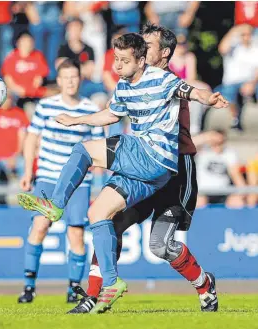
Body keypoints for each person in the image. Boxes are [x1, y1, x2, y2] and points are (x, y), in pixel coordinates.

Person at [17, 32, 228, 313]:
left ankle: (204, 285)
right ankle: (98, 292)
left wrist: (207, 98)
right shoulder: (126, 84)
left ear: (157, 55)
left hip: (169, 168)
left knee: (160, 245)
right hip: (137, 163)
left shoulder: (165, 80)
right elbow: (110, 114)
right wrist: (76, 120)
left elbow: (191, 91)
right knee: (101, 217)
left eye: (146, 45)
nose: (118, 64)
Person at [17, 59, 105, 304]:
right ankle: (28, 286)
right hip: (47, 176)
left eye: (74, 77)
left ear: (80, 79)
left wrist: (98, 184)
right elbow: (31, 138)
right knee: (40, 226)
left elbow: (99, 149)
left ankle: (74, 287)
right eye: (66, 77)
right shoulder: (45, 107)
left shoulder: (90, 109)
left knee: (75, 233)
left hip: (79, 180)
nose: (70, 82)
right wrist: (27, 172)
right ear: (59, 81)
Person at [0, 95, 29, 206]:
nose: (7, 101)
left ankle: (27, 197)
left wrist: (15, 155)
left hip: (13, 156)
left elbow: (23, 137)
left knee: (23, 163)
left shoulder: (19, 114)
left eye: (9, 98)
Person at [218, 24, 258, 130]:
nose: (246, 37)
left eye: (248, 34)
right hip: (232, 82)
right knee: (228, 92)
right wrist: (234, 30)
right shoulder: (233, 47)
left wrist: (252, 83)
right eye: (243, 34)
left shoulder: (255, 48)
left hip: (250, 82)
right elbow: (222, 49)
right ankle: (234, 119)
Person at [57, 18, 106, 101]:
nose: (75, 32)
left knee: (102, 89)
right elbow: (61, 67)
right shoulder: (63, 48)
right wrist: (82, 68)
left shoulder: (89, 49)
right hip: (68, 83)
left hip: (86, 84)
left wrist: (71, 66)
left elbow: (90, 71)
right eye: (72, 29)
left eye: (78, 28)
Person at [1, 31, 57, 103]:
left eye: (29, 42)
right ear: (18, 43)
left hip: (34, 93)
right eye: (24, 41)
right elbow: (8, 80)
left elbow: (38, 80)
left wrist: (28, 91)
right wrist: (18, 90)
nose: (27, 44)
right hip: (16, 93)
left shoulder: (38, 56)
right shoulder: (11, 57)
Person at [196, 130, 246, 208]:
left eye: (220, 143)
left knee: (237, 202)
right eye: (214, 142)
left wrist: (241, 192)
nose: (217, 146)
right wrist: (206, 136)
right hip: (203, 191)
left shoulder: (229, 153)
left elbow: (235, 174)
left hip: (223, 191)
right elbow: (183, 144)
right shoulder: (202, 152)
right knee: (199, 202)